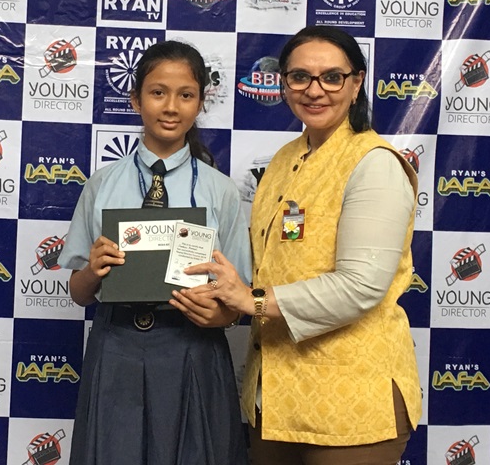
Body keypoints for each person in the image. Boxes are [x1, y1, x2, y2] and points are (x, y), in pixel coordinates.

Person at [173, 25, 421, 464]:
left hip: (351, 404)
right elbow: (268, 268)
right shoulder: (284, 160)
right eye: (300, 76)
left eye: (332, 77)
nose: (315, 90)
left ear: (357, 83)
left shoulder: (374, 164)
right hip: (275, 398)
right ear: (284, 84)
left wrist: (250, 301)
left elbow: (361, 286)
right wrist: (221, 298)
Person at [59, 40, 251, 465]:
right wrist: (92, 271)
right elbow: (79, 292)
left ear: (200, 103)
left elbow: (237, 299)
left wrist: (219, 316)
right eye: (158, 92)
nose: (171, 107)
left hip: (193, 346)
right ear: (136, 100)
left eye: (186, 95)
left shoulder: (220, 190)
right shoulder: (102, 184)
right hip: (117, 344)